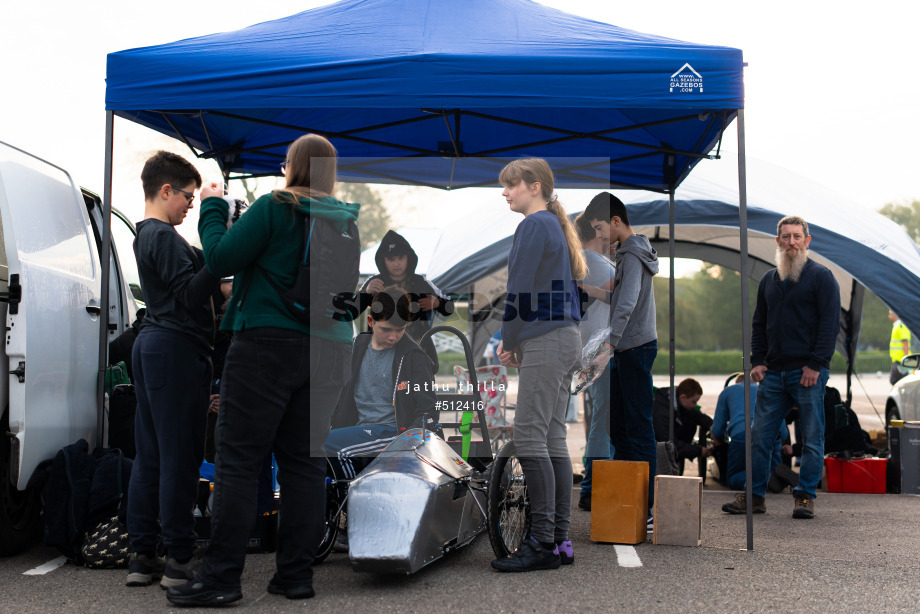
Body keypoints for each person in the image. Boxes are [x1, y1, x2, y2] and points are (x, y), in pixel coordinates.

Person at [166, 134, 360, 606]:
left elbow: (219, 259)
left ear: (291, 165)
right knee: (305, 465)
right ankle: (295, 577)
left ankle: (220, 581)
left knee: (238, 463)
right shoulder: (347, 223)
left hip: (267, 344)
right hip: (330, 349)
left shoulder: (276, 206)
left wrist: (212, 208)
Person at [125, 152, 220, 588]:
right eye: (188, 196)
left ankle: (143, 555)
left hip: (153, 348)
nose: (191, 205)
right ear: (166, 191)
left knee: (151, 456)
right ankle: (180, 560)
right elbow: (188, 293)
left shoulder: (147, 235)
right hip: (175, 350)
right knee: (180, 459)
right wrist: (217, 264)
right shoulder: (163, 236)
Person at [491, 158, 584, 572]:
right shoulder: (553, 226)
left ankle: (542, 543)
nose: (506, 193)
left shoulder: (533, 225)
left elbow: (519, 289)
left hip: (546, 338)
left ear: (533, 186)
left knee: (529, 437)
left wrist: (507, 340)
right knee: (551, 440)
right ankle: (559, 541)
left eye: (511, 186)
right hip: (564, 338)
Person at [722, 215, 840, 519]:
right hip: (773, 374)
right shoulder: (769, 281)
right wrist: (757, 361)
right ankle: (754, 496)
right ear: (777, 242)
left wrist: (816, 364)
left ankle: (805, 497)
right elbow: (759, 323)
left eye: (797, 237)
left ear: (807, 241)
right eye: (786, 237)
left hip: (808, 374)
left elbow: (830, 326)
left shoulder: (821, 277)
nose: (791, 242)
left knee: (812, 439)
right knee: (758, 437)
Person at [584, 192, 659, 521]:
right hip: (629, 348)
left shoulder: (631, 253)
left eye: (600, 229)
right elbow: (620, 296)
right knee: (621, 426)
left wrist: (608, 347)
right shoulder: (632, 252)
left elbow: (626, 304)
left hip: (634, 349)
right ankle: (633, 498)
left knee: (638, 427)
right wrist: (591, 291)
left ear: (616, 221)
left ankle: (648, 506)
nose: (599, 237)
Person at [325, 288, 437, 481]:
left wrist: (404, 444)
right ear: (370, 321)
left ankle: (351, 493)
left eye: (399, 330)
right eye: (386, 329)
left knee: (324, 444)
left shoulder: (414, 357)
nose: (393, 337)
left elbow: (428, 411)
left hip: (394, 433)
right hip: (359, 431)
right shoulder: (356, 347)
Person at [572, 212, 615, 511]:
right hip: (603, 351)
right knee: (604, 419)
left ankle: (591, 482)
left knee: (597, 416)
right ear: (598, 232)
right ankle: (593, 485)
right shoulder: (601, 265)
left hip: (583, 349)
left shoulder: (573, 265)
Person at [360, 230, 453, 369]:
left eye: (401, 258)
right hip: (382, 349)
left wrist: (438, 303)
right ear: (382, 260)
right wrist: (365, 294)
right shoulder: (373, 282)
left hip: (418, 348)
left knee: (420, 387)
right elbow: (350, 312)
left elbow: (450, 308)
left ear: (408, 258)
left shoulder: (421, 282)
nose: (396, 263)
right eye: (391, 259)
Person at [711, 375, 790, 490]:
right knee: (771, 464)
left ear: (737, 383)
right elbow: (783, 431)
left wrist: (720, 441)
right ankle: (775, 475)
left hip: (742, 435)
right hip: (771, 436)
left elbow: (717, 429)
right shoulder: (768, 391)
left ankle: (762, 478)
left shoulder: (727, 392)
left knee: (733, 478)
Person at [652, 378, 714, 465]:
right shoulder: (662, 413)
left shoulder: (678, 402)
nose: (695, 405)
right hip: (658, 454)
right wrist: (699, 451)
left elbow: (697, 415)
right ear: (683, 397)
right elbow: (669, 444)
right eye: (694, 402)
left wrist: (711, 424)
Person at [889, 310, 911, 385]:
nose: (889, 316)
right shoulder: (897, 326)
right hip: (898, 360)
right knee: (898, 381)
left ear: (895, 315)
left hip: (901, 360)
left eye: (890, 314)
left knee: (896, 380)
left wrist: (906, 359)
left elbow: (905, 343)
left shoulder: (900, 326)